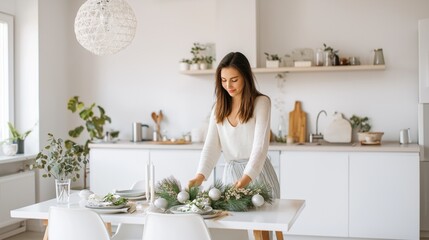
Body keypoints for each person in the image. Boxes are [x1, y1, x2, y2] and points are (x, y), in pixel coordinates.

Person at [188, 52, 280, 198]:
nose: (228, 85)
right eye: (223, 80)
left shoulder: (261, 103)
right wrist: (199, 176)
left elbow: (260, 148)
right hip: (231, 176)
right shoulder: (218, 107)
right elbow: (211, 147)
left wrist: (245, 179)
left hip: (257, 174)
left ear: (245, 77)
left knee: (262, 220)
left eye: (234, 80)